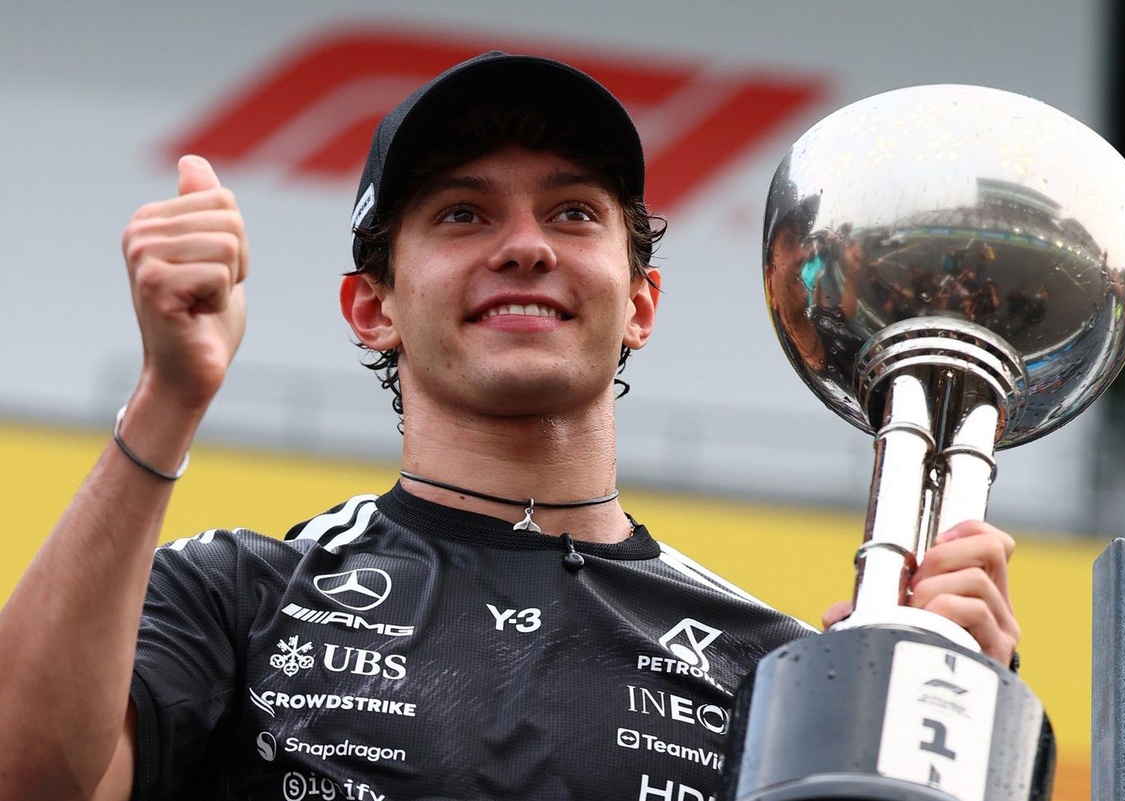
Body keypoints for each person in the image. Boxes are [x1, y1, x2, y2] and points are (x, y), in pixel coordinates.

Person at [0, 52, 1020, 800]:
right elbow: (27, 775)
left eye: (573, 213)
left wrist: (944, 725)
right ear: (373, 308)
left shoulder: (774, 674)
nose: (526, 247)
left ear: (641, 304)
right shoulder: (237, 597)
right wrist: (168, 398)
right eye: (463, 214)